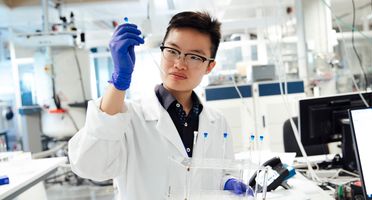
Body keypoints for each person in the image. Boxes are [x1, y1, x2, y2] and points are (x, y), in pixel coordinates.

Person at [68, 11, 253, 200]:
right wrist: (119, 81)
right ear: (162, 51)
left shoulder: (218, 122)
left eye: (194, 57)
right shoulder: (129, 117)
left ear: (209, 66)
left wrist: (228, 182)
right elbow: (90, 166)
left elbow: (219, 174)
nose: (180, 64)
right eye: (173, 51)